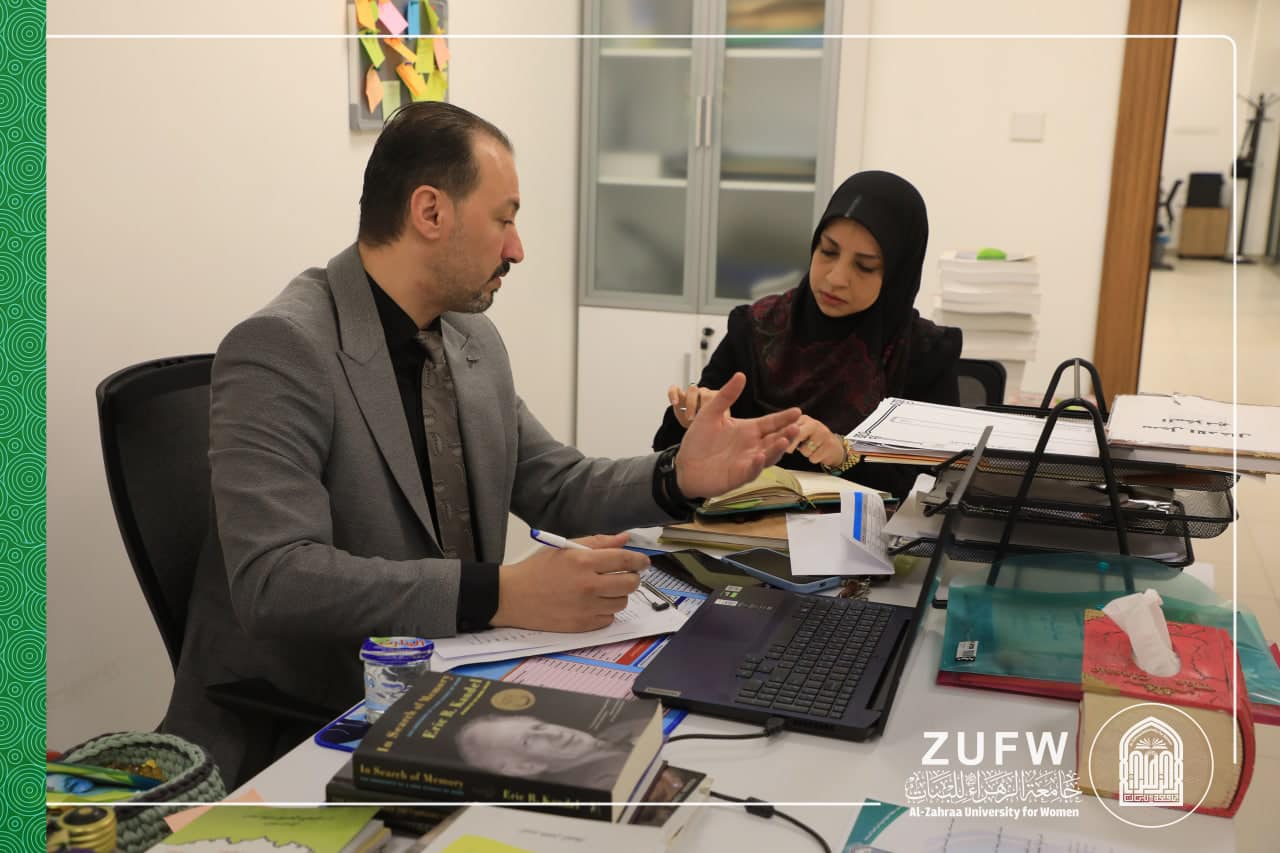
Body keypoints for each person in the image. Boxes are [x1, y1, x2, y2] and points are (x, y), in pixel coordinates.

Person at [161, 101, 801, 785]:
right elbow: (276, 580)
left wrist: (677, 476)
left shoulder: (467, 337)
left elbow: (552, 481)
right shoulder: (283, 348)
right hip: (310, 723)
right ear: (430, 213)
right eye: (504, 219)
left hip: (453, 685)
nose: (518, 247)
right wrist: (500, 593)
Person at [652, 170, 961, 498]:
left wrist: (843, 454)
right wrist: (692, 420)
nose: (836, 277)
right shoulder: (757, 329)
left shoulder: (925, 354)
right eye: (828, 251)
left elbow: (937, 482)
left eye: (865, 266)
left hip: (863, 541)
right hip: (740, 534)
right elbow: (667, 453)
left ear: (898, 274)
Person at [455, 713, 641, 787]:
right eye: (527, 741)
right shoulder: (605, 784)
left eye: (539, 727)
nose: (554, 733)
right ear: (524, 767)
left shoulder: (618, 729)